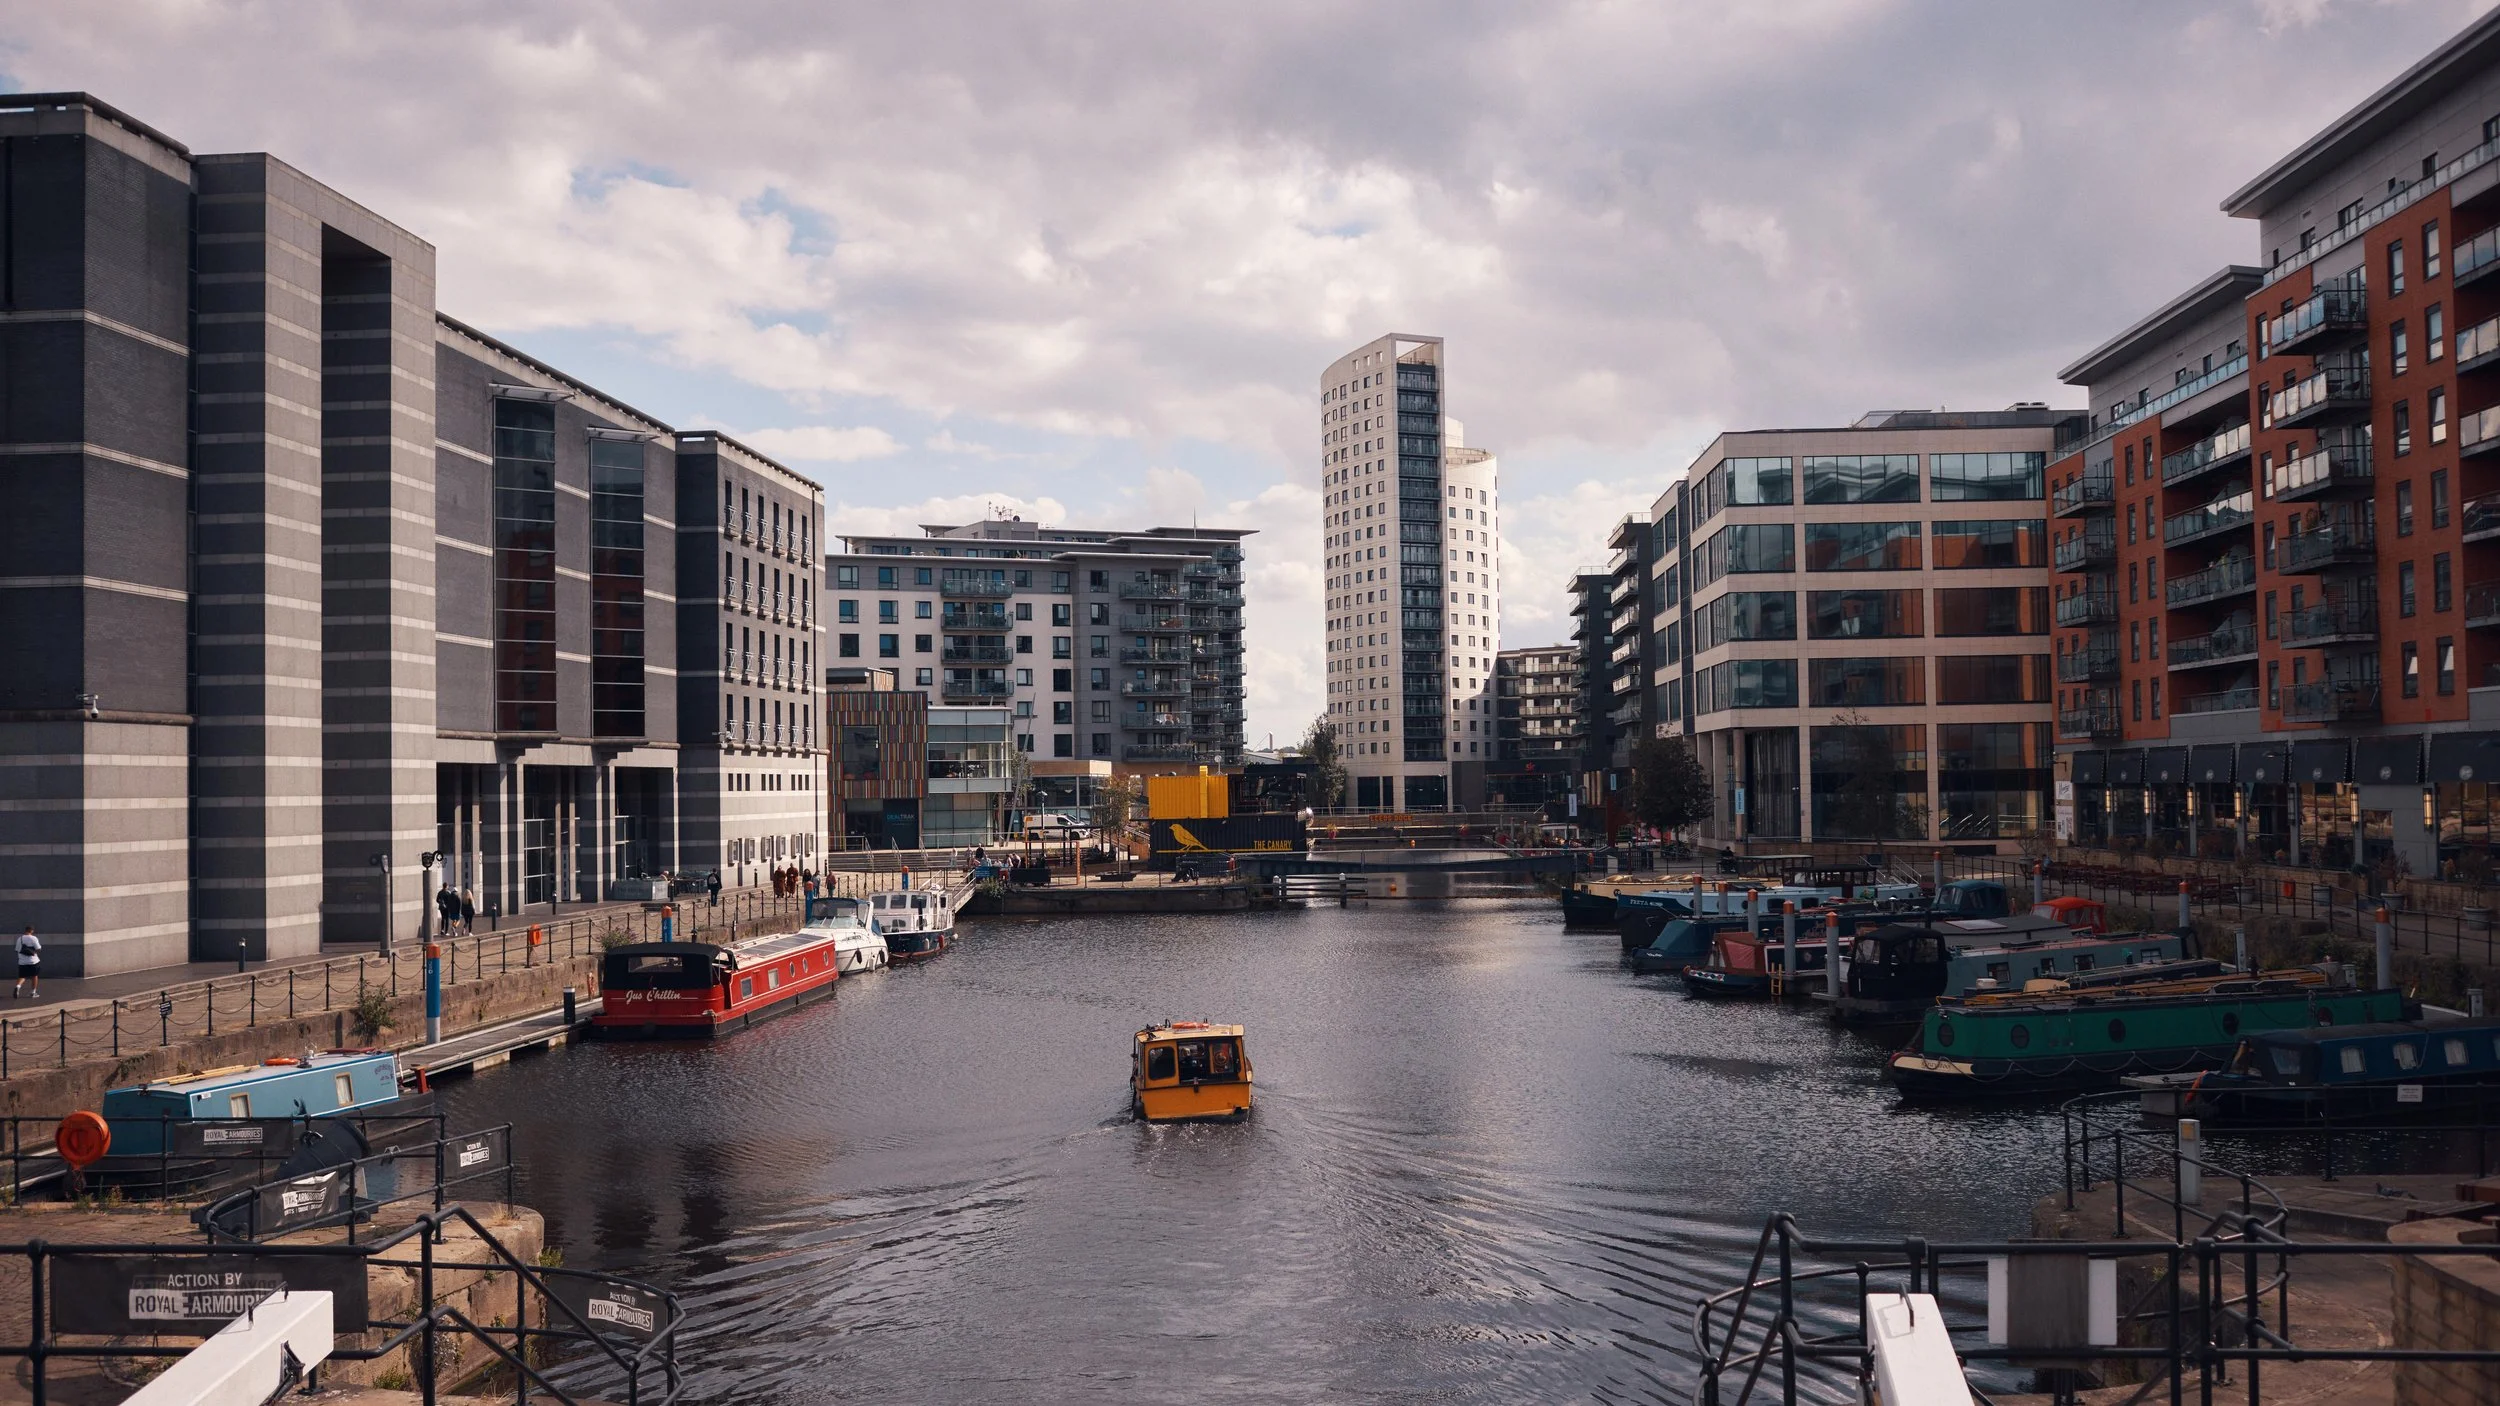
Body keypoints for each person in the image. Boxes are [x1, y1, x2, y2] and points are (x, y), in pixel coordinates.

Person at [13, 925, 39, 1000]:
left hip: (22, 962)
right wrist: (33, 952)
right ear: (32, 931)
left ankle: (18, 987)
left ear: (25, 930)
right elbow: (38, 948)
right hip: (33, 961)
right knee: (34, 976)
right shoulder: (33, 938)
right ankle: (33, 992)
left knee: (22, 976)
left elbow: (17, 950)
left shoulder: (19, 939)